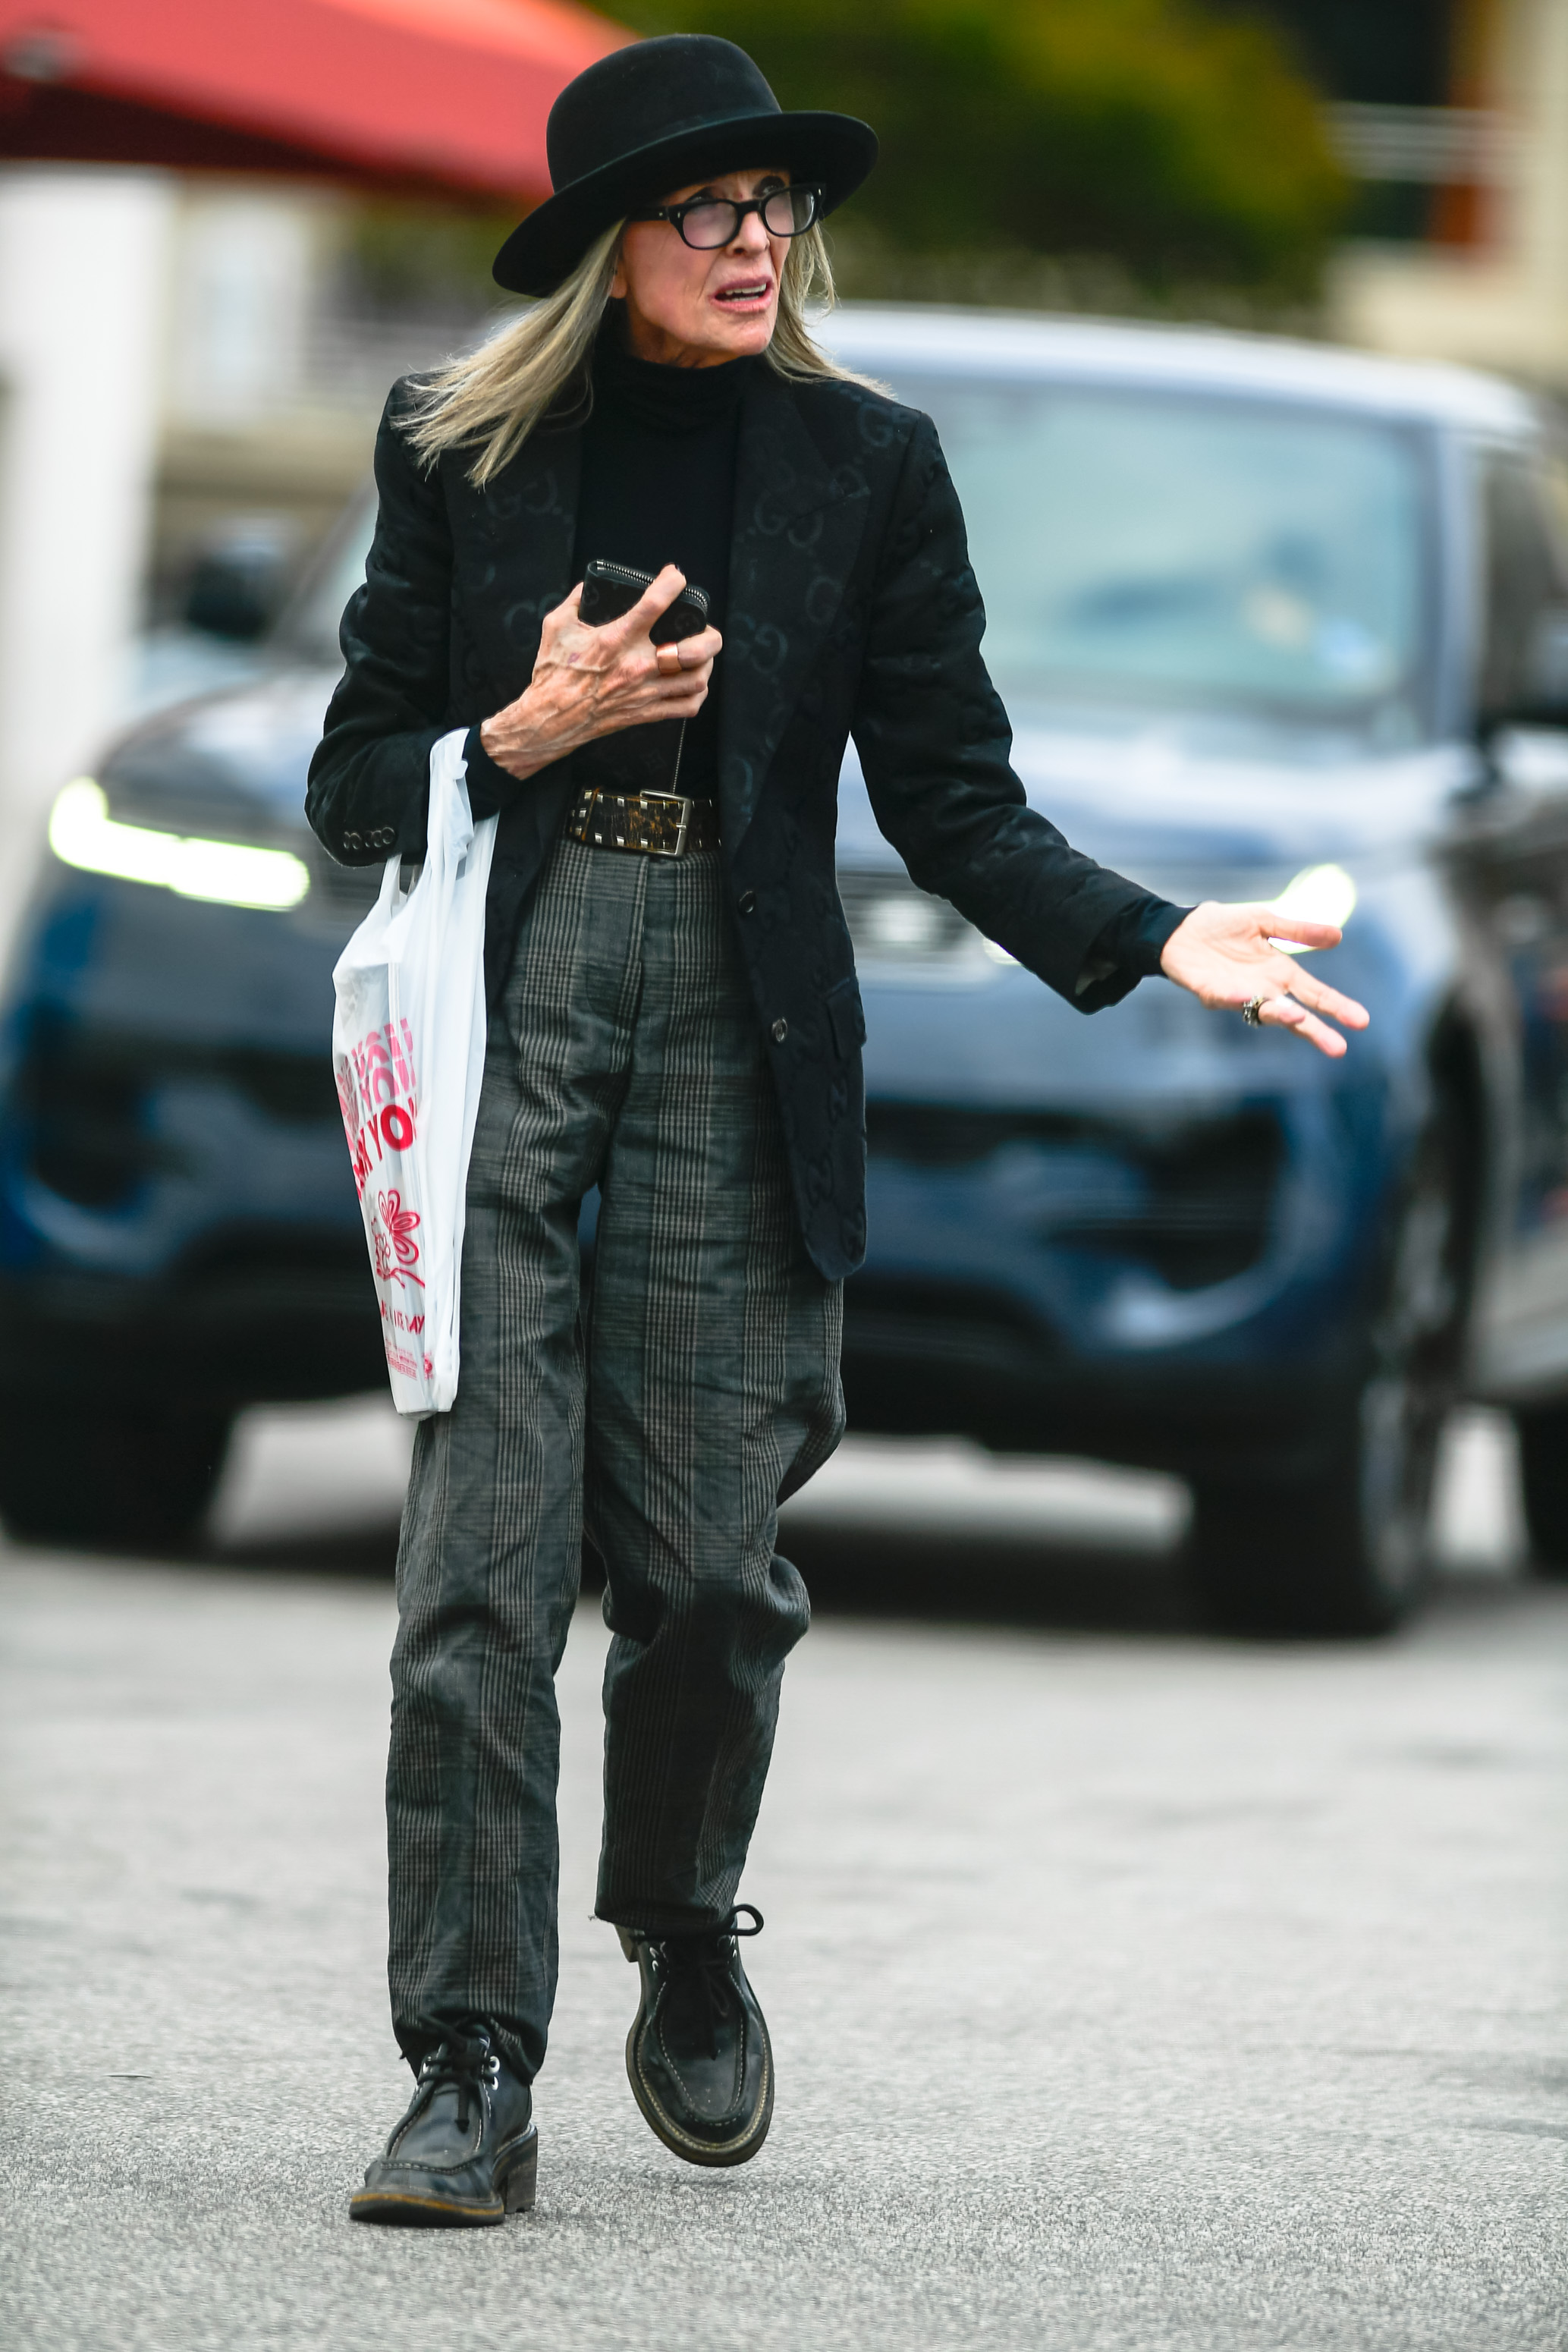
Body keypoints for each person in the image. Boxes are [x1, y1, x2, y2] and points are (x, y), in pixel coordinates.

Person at [307, 33, 1368, 2228]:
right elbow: (350, 782)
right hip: (503, 993)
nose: (755, 236)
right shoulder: (454, 445)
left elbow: (950, 795)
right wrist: (527, 722)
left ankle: (679, 1917)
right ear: (613, 245)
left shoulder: (865, 465)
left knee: (704, 1558)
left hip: (731, 991)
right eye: (708, 208)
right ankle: (469, 2060)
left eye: (778, 205)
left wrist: (1158, 936)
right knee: (481, 1568)